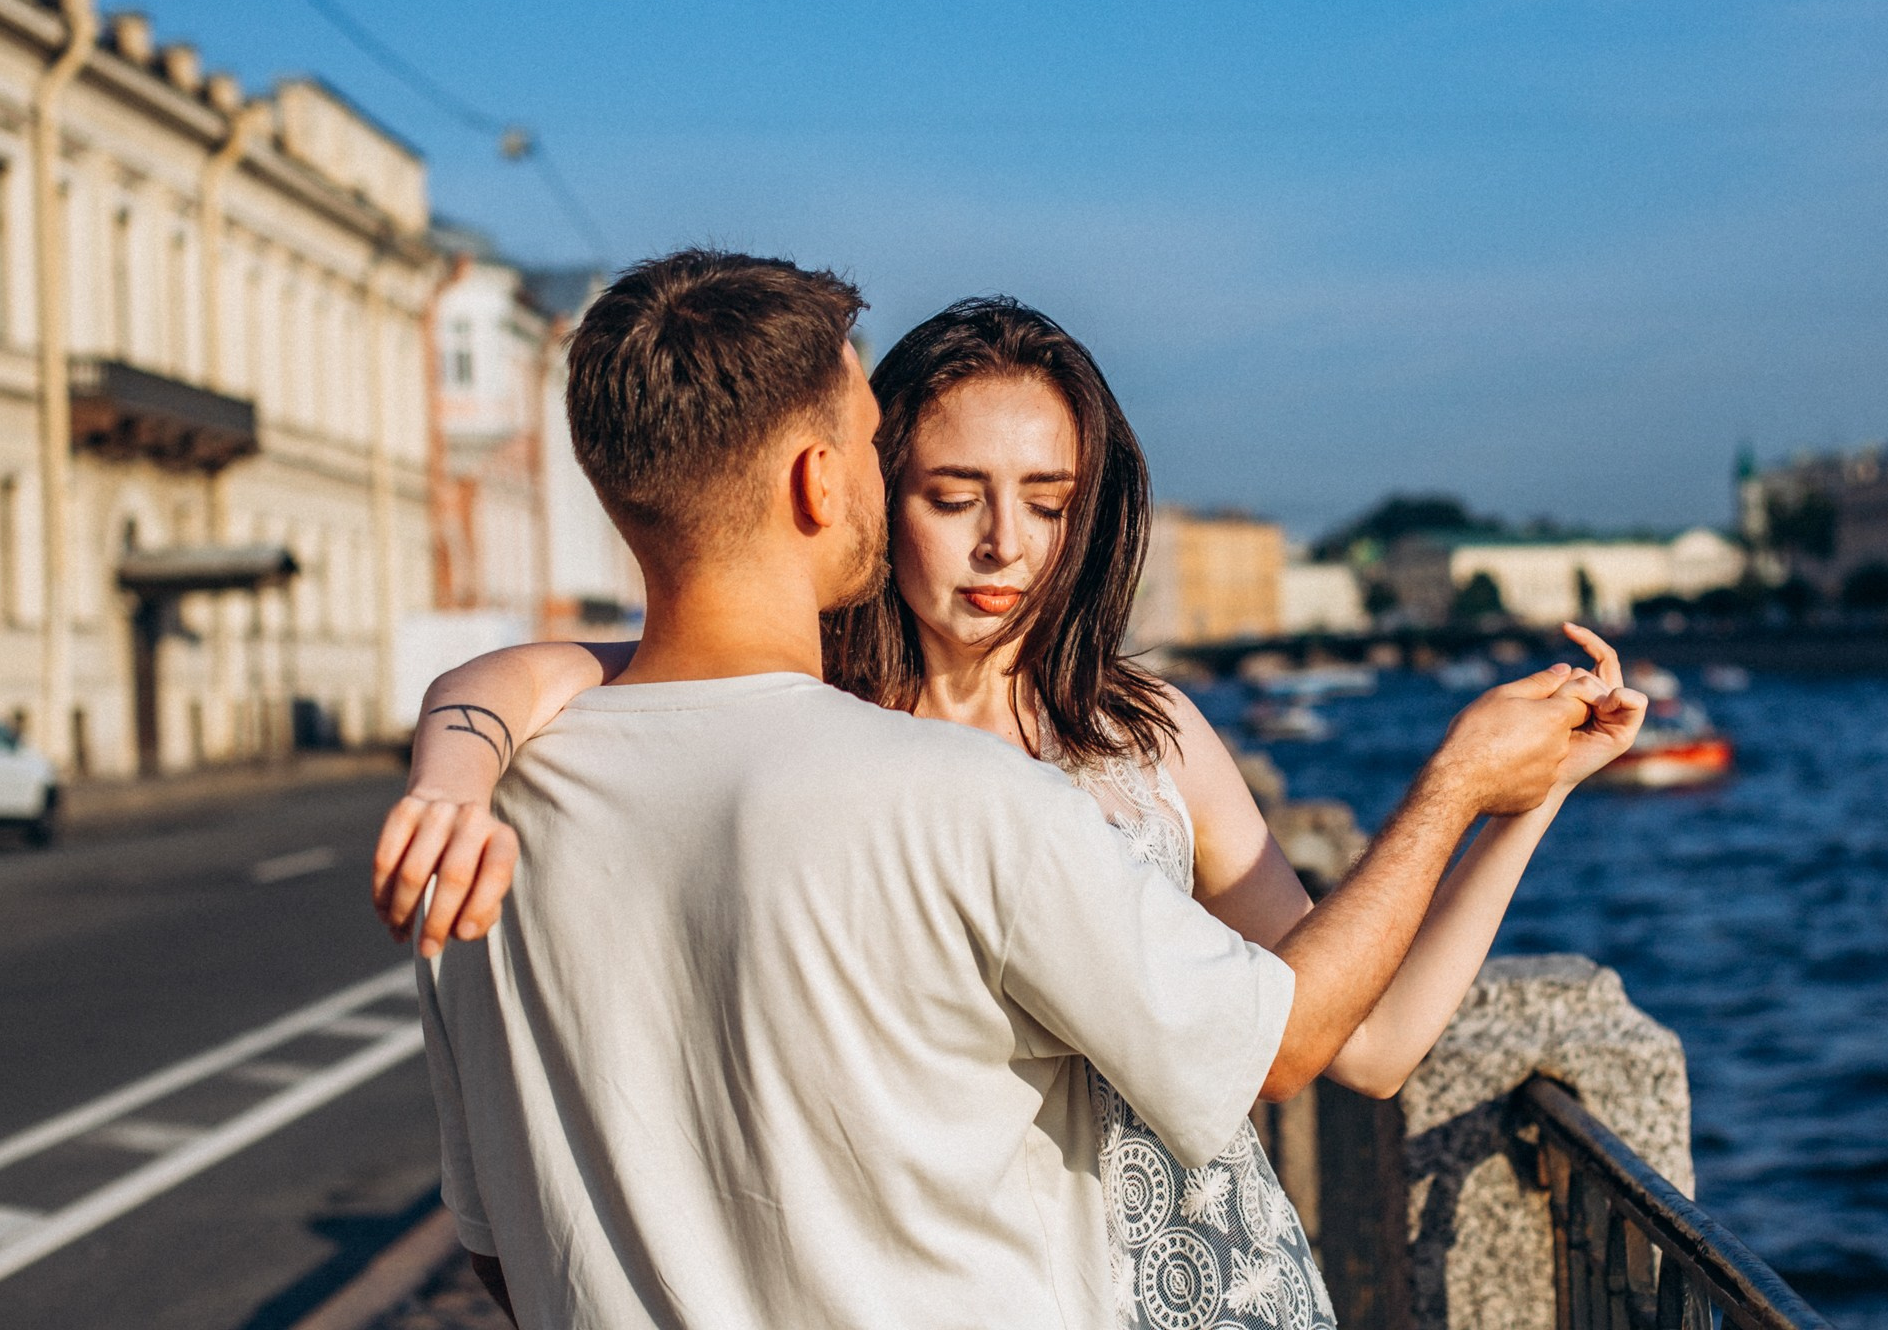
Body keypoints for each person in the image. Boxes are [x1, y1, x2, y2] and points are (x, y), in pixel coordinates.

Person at [385, 254, 1643, 1330]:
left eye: (1047, 502)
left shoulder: (1139, 734)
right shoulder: (895, 769)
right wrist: (459, 751)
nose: (1004, 546)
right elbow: (548, 674)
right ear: (843, 481)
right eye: (943, 492)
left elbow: (1354, 1038)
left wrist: (1513, 805)